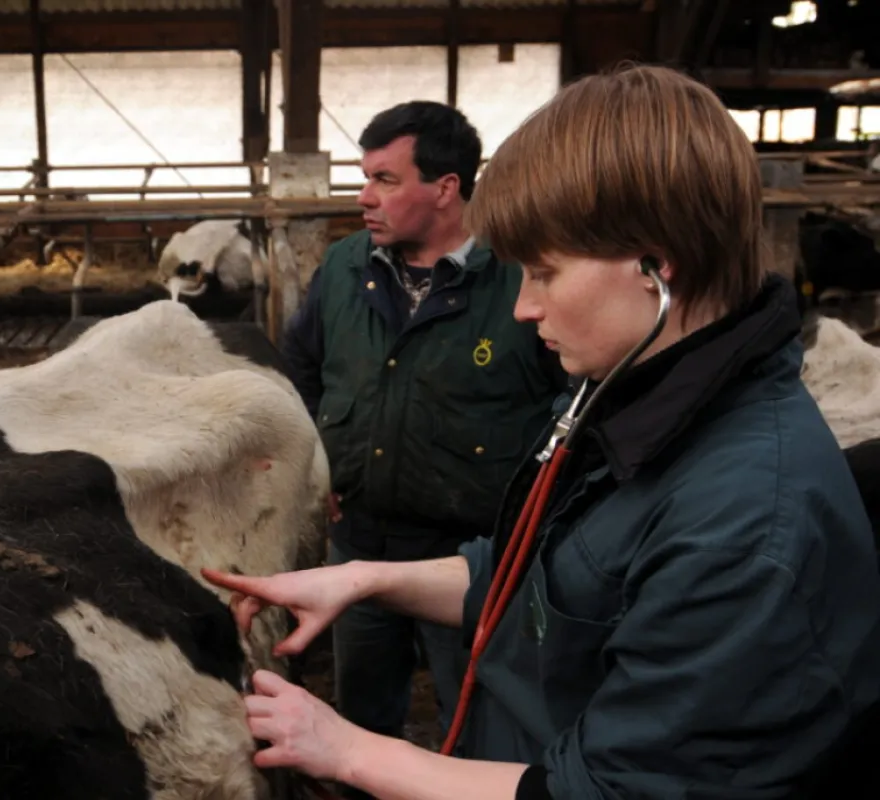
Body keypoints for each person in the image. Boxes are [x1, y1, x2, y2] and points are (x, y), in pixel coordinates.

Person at [205, 64, 880, 799]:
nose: (523, 308)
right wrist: (364, 579)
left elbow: (602, 792)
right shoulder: (638, 400)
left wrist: (344, 748)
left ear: (655, 268)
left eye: (544, 273)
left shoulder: (745, 525)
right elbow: (537, 575)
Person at [279, 101, 569, 767]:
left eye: (384, 179)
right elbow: (299, 363)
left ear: (445, 189)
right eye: (365, 177)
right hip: (359, 544)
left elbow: (570, 403)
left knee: (473, 715)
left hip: (471, 559)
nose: (364, 197)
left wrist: (534, 508)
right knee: (361, 712)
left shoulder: (517, 277)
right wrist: (320, 460)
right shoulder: (347, 266)